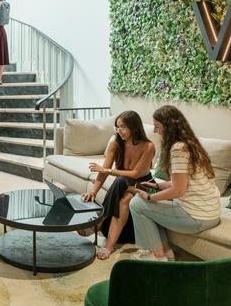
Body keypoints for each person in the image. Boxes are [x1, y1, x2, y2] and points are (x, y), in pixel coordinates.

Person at [127, 105, 221, 261]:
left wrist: (150, 197)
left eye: (157, 127)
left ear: (168, 127)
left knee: (137, 203)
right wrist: (157, 186)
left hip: (197, 216)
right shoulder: (191, 144)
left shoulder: (178, 149)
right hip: (211, 212)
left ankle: (155, 255)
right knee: (150, 203)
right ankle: (165, 251)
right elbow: (184, 182)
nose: (155, 131)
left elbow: (178, 190)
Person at [81, 111, 155, 260]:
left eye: (123, 127)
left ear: (134, 127)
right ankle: (108, 244)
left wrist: (108, 170)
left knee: (121, 181)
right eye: (117, 127)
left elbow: (135, 174)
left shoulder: (148, 146)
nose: (119, 131)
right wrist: (93, 192)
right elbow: (103, 173)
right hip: (124, 184)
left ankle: (99, 223)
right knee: (124, 197)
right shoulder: (115, 144)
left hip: (144, 184)